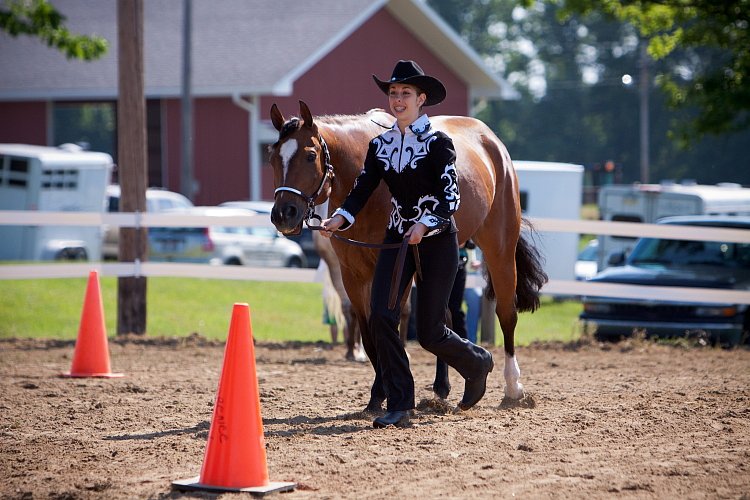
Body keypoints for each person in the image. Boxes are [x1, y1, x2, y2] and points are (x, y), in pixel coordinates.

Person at [320, 59, 495, 428]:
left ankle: (476, 362)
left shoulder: (439, 143)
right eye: (393, 93)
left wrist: (425, 224)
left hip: (436, 242)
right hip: (398, 240)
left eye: (406, 93)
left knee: (430, 331)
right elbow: (361, 191)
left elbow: (451, 199)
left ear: (421, 99)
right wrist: (341, 217)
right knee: (382, 316)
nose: (398, 99)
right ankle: (401, 402)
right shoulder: (381, 145)